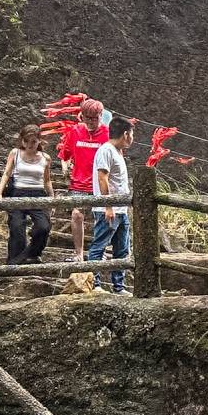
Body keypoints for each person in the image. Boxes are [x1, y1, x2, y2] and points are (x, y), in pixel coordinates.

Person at [56, 99, 112, 256]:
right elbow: (64, 155)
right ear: (82, 116)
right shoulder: (75, 132)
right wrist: (65, 169)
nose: (92, 122)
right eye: (89, 118)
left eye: (96, 118)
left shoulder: (108, 134)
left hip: (100, 182)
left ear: (101, 116)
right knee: (76, 215)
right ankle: (79, 253)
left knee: (103, 217)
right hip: (79, 182)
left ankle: (99, 251)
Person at [85, 118, 135, 293]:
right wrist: (108, 206)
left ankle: (118, 287)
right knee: (99, 246)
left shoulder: (117, 152)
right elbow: (102, 178)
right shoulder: (106, 150)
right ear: (125, 134)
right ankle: (94, 283)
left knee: (122, 249)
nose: (132, 138)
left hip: (121, 209)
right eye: (132, 133)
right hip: (108, 209)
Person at [0, 124, 56, 264]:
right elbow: (7, 173)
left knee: (43, 227)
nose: (29, 145)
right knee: (17, 226)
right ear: (22, 141)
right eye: (26, 141)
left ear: (39, 141)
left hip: (38, 194)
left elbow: (47, 181)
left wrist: (52, 199)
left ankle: (30, 254)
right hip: (18, 192)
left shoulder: (45, 158)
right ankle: (14, 259)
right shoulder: (15, 153)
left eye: (33, 141)